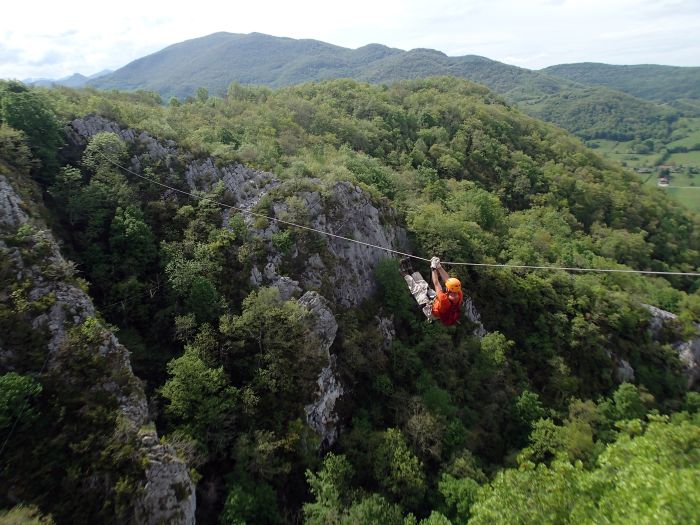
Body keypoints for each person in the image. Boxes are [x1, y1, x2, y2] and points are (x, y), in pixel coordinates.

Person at [400, 256, 463, 326]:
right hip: (437, 303)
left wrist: (433, 268)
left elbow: (436, 283)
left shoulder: (443, 299)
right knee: (425, 286)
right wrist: (439, 267)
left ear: (448, 289)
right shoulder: (458, 293)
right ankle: (410, 269)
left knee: (417, 291)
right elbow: (447, 280)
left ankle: (404, 272)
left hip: (431, 312)